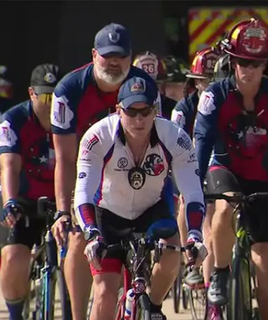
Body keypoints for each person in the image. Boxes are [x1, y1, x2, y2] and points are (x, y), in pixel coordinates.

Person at [50, 23, 158, 320]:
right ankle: (77, 314)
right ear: (94, 55)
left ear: (130, 57)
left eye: (120, 56)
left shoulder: (144, 86)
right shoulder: (68, 91)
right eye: (107, 56)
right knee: (77, 238)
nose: (113, 62)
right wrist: (64, 210)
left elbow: (155, 146)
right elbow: (65, 157)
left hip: (130, 172)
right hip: (89, 173)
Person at [74, 76, 205, 320]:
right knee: (104, 293)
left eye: (145, 111)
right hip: (109, 214)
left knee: (172, 248)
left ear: (155, 111)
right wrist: (91, 233)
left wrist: (196, 235)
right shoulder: (97, 136)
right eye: (131, 111)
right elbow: (83, 191)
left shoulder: (175, 137)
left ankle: (154, 306)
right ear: (118, 110)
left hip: (151, 210)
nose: (138, 119)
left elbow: (193, 191)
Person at [194, 19, 268, 320]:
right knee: (224, 209)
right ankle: (221, 273)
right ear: (231, 61)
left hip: (264, 175)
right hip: (226, 167)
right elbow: (202, 139)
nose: (248, 70)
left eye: (255, 63)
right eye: (241, 62)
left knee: (265, 257)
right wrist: (195, 182)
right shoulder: (214, 95)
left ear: (266, 64)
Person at [0, 63, 61, 320]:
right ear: (31, 93)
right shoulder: (13, 120)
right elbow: (8, 165)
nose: (51, 104)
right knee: (13, 257)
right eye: (45, 97)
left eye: (56, 97)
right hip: (21, 196)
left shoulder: (71, 119)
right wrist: (10, 201)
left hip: (58, 198)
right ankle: (14, 314)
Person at [171, 47, 219, 289]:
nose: (208, 85)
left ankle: (214, 285)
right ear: (195, 82)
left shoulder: (226, 100)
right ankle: (188, 259)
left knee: (213, 217)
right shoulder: (183, 109)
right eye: (203, 80)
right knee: (186, 201)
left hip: (218, 164)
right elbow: (173, 144)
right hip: (187, 162)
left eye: (213, 80)